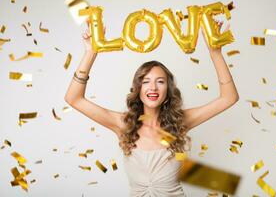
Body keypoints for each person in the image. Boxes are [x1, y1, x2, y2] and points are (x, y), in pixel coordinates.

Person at [64, 20, 239, 197]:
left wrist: (215, 52)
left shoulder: (180, 122)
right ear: (138, 89)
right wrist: (91, 52)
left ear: (168, 90)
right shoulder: (124, 124)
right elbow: (74, 98)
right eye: (146, 82)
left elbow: (229, 98)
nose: (153, 88)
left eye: (160, 82)